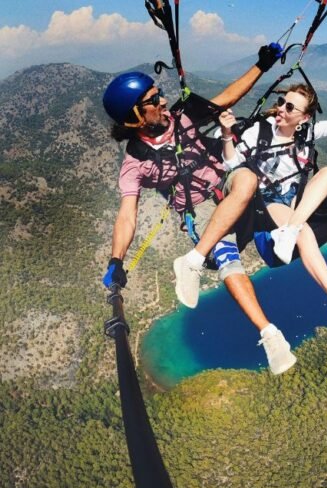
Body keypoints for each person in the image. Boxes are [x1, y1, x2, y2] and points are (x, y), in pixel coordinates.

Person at [101, 44, 296, 375]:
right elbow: (127, 214)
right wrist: (116, 259)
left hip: (227, 182)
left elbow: (228, 97)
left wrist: (261, 66)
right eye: (153, 100)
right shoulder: (135, 164)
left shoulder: (183, 116)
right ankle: (270, 334)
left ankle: (191, 262)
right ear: (135, 118)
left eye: (159, 93)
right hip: (200, 208)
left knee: (247, 180)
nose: (162, 100)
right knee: (228, 261)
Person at [176, 83, 327, 331]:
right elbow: (231, 163)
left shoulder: (307, 134)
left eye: (290, 107)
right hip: (266, 202)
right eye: (282, 102)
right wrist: (227, 134)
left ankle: (290, 230)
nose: (281, 109)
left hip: (293, 201)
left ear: (303, 117)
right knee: (303, 233)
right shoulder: (259, 132)